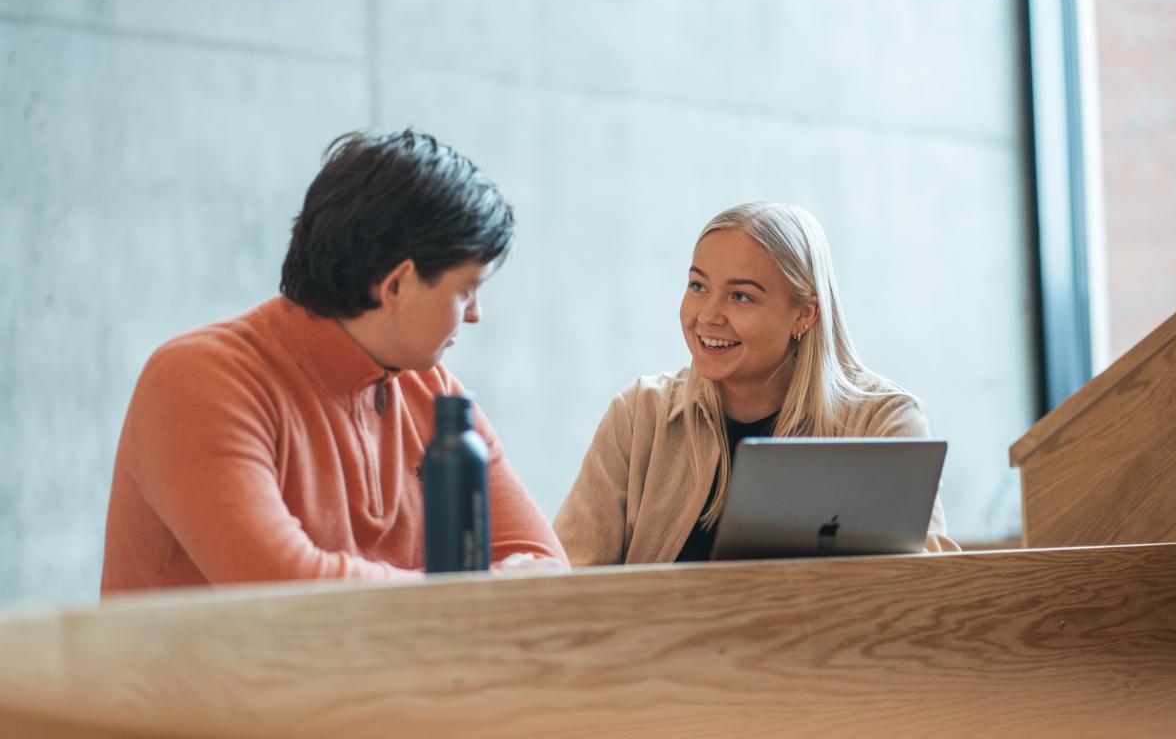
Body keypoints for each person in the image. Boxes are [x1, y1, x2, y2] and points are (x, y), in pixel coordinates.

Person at [101, 129, 566, 594]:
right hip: (225, 668)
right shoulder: (198, 380)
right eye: (465, 290)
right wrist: (472, 589)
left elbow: (545, 568)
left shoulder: (432, 389)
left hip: (385, 666)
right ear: (397, 286)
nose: (474, 314)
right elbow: (285, 590)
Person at [554, 201, 956, 565]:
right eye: (698, 286)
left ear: (805, 315)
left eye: (741, 297)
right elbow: (570, 574)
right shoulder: (640, 413)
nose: (707, 316)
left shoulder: (883, 422)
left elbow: (921, 585)